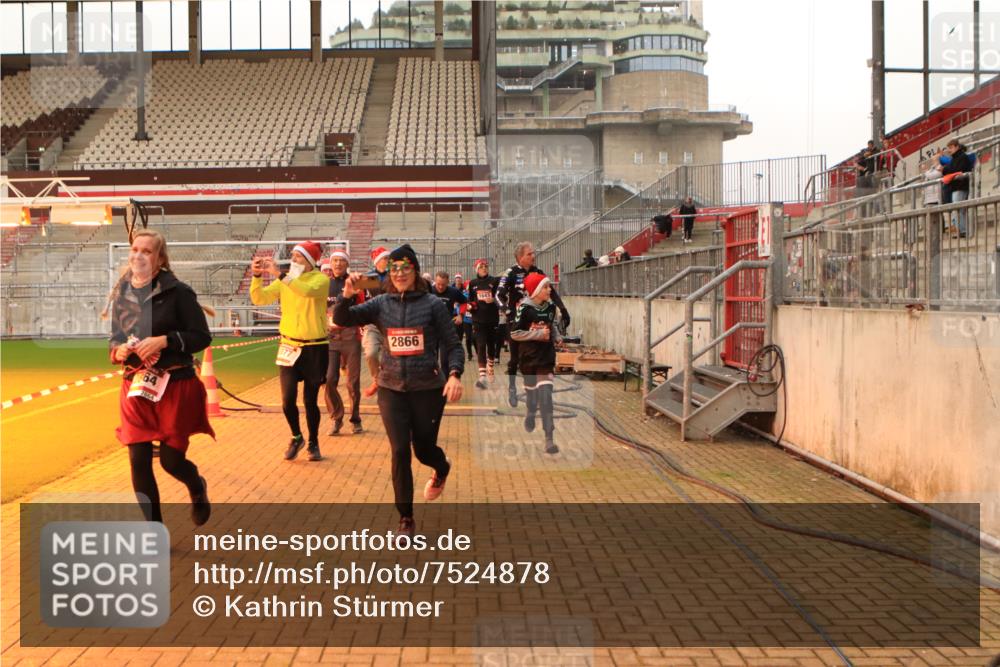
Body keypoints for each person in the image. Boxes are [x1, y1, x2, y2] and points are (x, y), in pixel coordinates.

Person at [334, 244, 464, 540]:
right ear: (389, 274)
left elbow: (453, 345)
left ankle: (441, 467)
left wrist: (454, 374)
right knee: (399, 451)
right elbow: (343, 318)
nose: (400, 274)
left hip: (427, 389)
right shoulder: (381, 304)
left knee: (423, 450)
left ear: (415, 271)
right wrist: (347, 294)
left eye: (406, 268)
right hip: (391, 389)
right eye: (394, 269)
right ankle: (405, 517)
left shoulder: (433, 304)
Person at [107, 230, 213, 526]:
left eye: (147, 251)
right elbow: (114, 338)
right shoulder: (121, 293)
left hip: (175, 386)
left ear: (160, 259)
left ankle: (196, 486)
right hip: (136, 386)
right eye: (135, 250)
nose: (138, 255)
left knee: (171, 461)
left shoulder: (179, 292)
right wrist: (117, 352)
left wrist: (165, 340)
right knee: (138, 460)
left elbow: (202, 336)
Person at [250, 241, 330, 461]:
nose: (293, 260)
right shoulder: (285, 280)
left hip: (315, 346)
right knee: (287, 400)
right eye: (293, 256)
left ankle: (313, 442)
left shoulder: (320, 279)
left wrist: (279, 274)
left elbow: (304, 291)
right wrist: (257, 277)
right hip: (288, 346)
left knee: (311, 401)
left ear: (310, 261)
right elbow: (260, 298)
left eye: (299, 256)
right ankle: (296, 436)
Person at [497, 241, 570, 408]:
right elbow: (498, 295)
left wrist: (563, 309)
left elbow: (553, 292)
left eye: (533, 253)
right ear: (520, 257)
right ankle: (512, 388)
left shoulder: (538, 272)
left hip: (537, 320)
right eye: (529, 254)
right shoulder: (511, 273)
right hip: (517, 322)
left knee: (539, 356)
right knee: (515, 359)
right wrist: (506, 311)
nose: (533, 256)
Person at [510, 273, 561, 455]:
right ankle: (531, 412)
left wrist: (557, 337)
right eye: (546, 287)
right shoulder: (524, 309)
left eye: (549, 287)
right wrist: (538, 335)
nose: (550, 290)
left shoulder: (551, 307)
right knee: (532, 398)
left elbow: (551, 326)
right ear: (537, 290)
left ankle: (549, 439)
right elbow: (515, 334)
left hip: (546, 358)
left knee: (546, 397)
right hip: (528, 358)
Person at [324, 249, 364, 435]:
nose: (338, 264)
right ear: (330, 264)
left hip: (350, 336)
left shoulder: (355, 282)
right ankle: (336, 417)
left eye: (342, 260)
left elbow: (363, 304)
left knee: (353, 382)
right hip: (331, 338)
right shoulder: (325, 284)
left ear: (347, 264)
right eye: (335, 260)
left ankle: (355, 419)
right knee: (329, 379)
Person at [467, 258, 502, 389]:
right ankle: (482, 376)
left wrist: (493, 299)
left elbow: (501, 297)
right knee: (481, 345)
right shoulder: (472, 283)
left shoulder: (494, 281)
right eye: (481, 267)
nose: (484, 268)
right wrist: (471, 306)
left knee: (491, 345)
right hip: (478, 319)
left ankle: (491, 367)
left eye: (486, 266)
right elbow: (470, 300)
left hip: (492, 318)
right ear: (476, 269)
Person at [362, 246, 391, 397]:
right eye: (385, 258)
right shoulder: (368, 277)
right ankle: (376, 379)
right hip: (372, 323)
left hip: (391, 323)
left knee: (392, 357)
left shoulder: (393, 276)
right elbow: (359, 298)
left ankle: (388, 382)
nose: (388, 261)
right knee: (371, 353)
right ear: (378, 261)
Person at [430, 271, 467, 371]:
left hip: (446, 329)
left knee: (445, 361)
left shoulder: (453, 291)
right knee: (431, 360)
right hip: (431, 330)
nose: (441, 287)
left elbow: (464, 302)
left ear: (448, 282)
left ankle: (446, 382)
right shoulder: (429, 291)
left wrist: (461, 315)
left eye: (443, 284)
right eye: (438, 284)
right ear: (434, 281)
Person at [941, 139, 972, 238]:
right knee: (958, 210)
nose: (949, 150)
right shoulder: (955, 158)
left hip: (961, 186)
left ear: (957, 147)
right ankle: (961, 230)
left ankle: (963, 230)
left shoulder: (962, 157)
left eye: (951, 148)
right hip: (956, 187)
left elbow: (957, 169)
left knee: (959, 210)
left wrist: (945, 169)